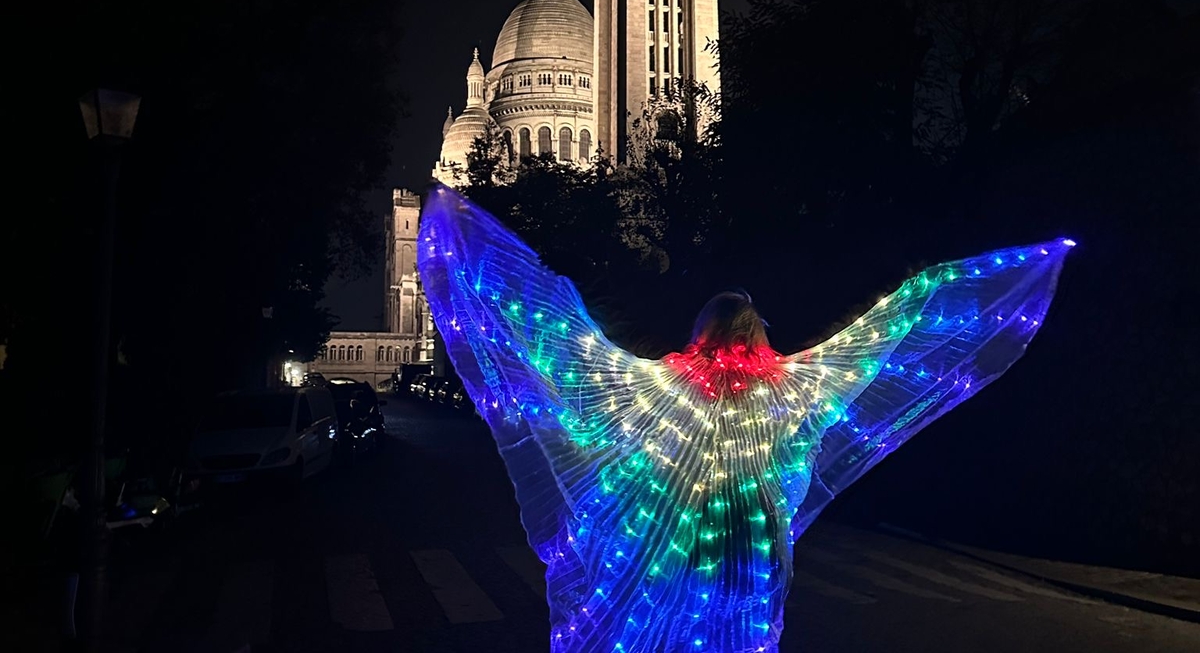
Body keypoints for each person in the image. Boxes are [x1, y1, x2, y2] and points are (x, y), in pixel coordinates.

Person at [417, 186, 1074, 653]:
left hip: (686, 542)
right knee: (742, 635)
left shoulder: (666, 385)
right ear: (757, 330)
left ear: (702, 330)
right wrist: (1003, 276)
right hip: (755, 542)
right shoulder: (788, 387)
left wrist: (476, 258)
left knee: (674, 632)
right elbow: (884, 338)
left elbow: (575, 365)